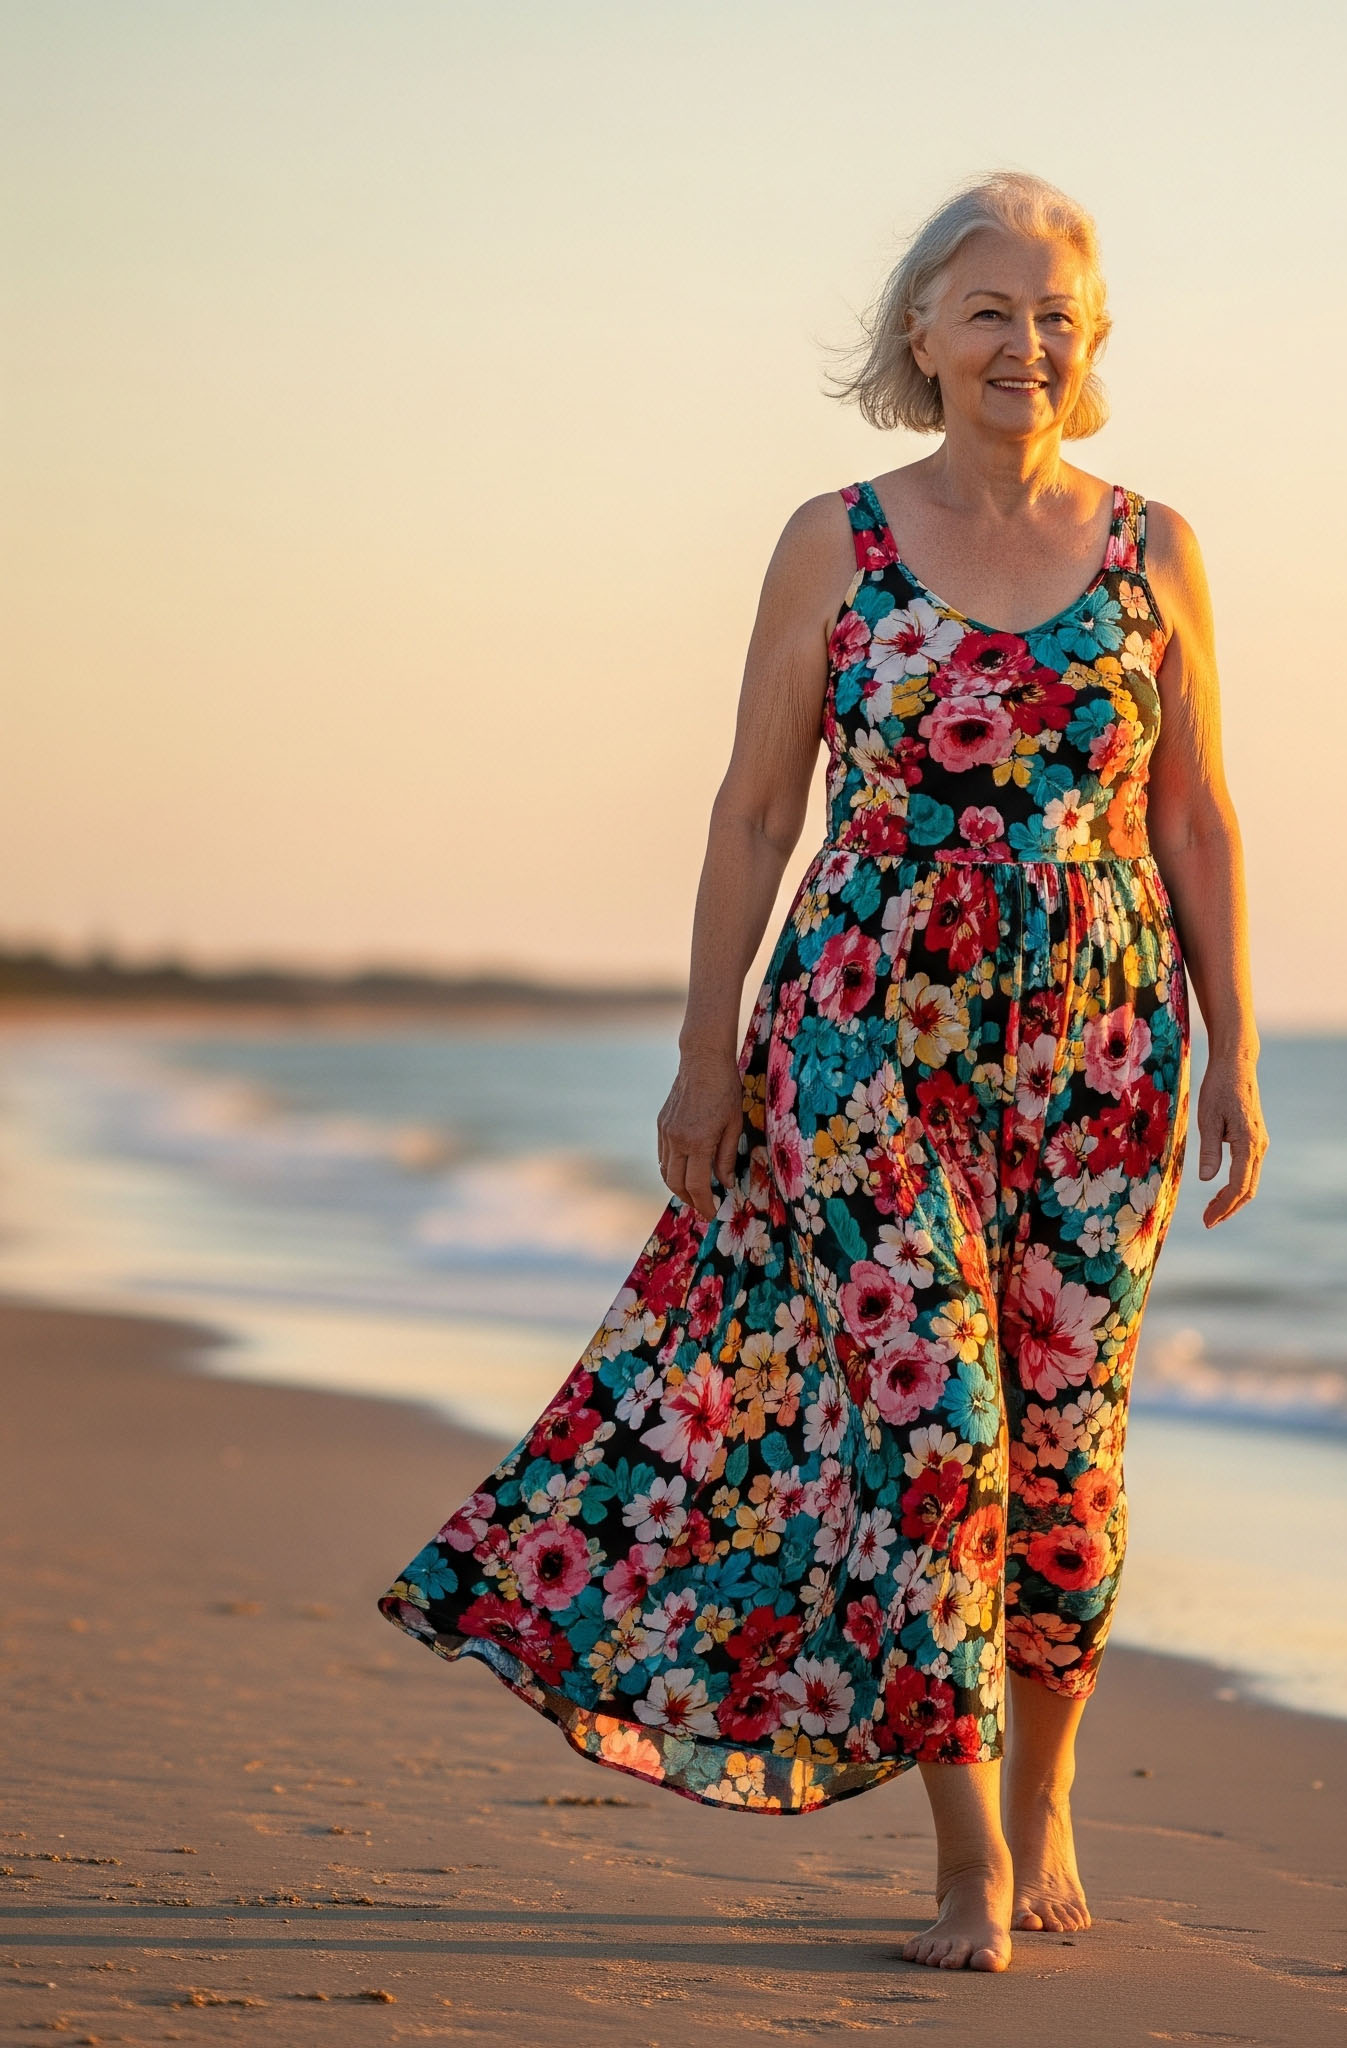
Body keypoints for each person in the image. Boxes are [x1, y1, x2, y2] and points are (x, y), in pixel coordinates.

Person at [379, 170, 1265, 1975]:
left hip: (1101, 1049)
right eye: (994, 312)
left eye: (1060, 318)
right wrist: (702, 1060)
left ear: (1092, 346)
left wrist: (1235, 1049)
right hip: (865, 1037)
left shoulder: (1156, 546)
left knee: (1068, 1454)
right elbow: (755, 811)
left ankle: (1050, 1793)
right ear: (922, 334)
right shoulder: (833, 539)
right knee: (937, 1436)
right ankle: (966, 1863)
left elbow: (1196, 811)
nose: (1030, 344)